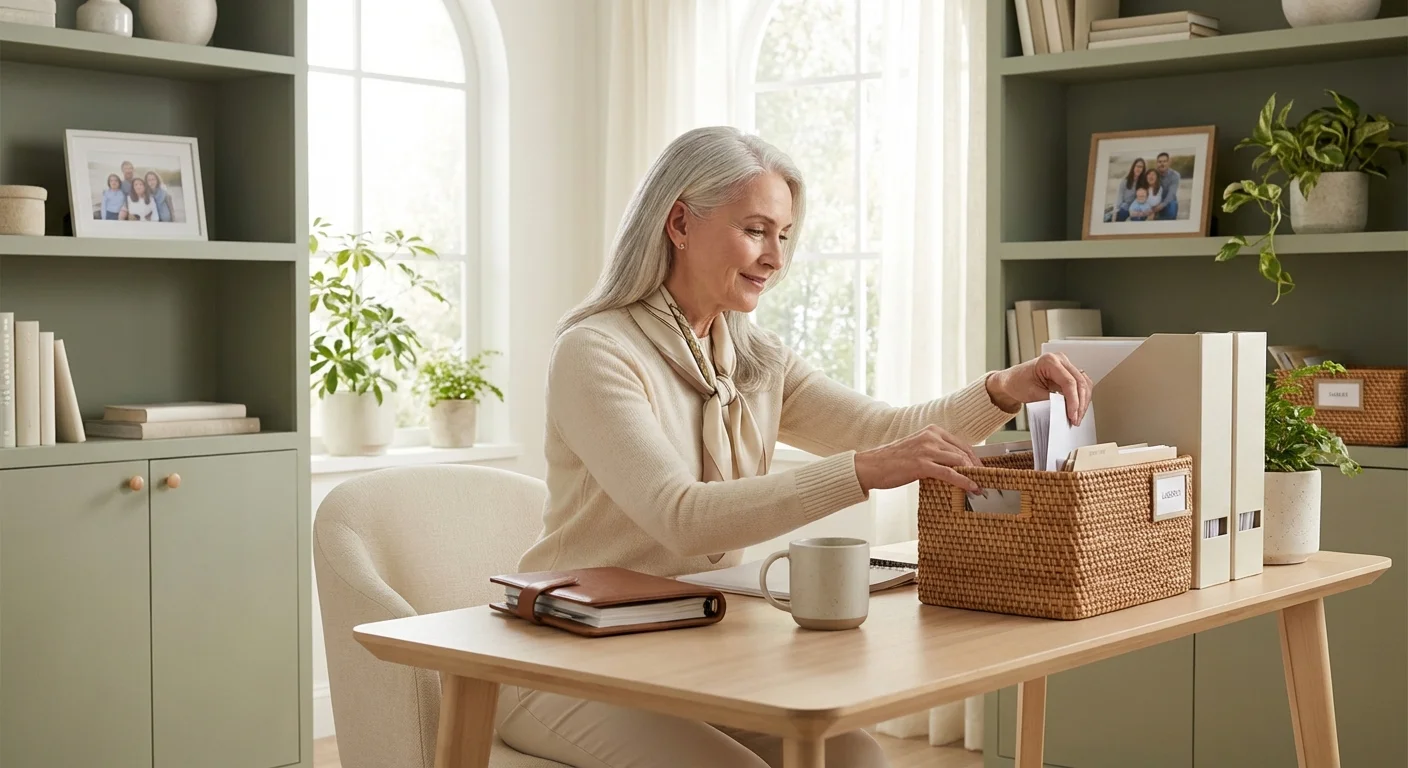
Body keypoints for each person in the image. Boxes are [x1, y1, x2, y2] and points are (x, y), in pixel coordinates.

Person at [495, 126, 1092, 768]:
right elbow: (681, 516)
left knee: (856, 759)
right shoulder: (597, 351)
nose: (775, 258)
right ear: (678, 222)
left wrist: (1003, 389)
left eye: (783, 236)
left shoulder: (755, 357)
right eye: (755, 230)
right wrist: (862, 474)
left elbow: (882, 431)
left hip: (690, 645)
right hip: (566, 657)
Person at [1113, 157, 1145, 222]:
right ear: (1133, 167)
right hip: (1125, 207)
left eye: (1141, 167)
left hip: (1136, 208)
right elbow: (1120, 197)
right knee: (1120, 216)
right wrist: (1115, 212)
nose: (1139, 169)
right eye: (1137, 166)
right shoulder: (1125, 181)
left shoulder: (1143, 182)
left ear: (1143, 169)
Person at [1151, 151, 1180, 220]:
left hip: (1169, 201)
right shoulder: (1153, 174)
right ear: (1156, 163)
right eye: (1160, 162)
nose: (1162, 164)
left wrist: (1161, 206)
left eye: (1164, 161)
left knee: (1172, 206)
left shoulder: (1175, 175)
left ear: (1169, 163)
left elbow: (1171, 194)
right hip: (1155, 201)